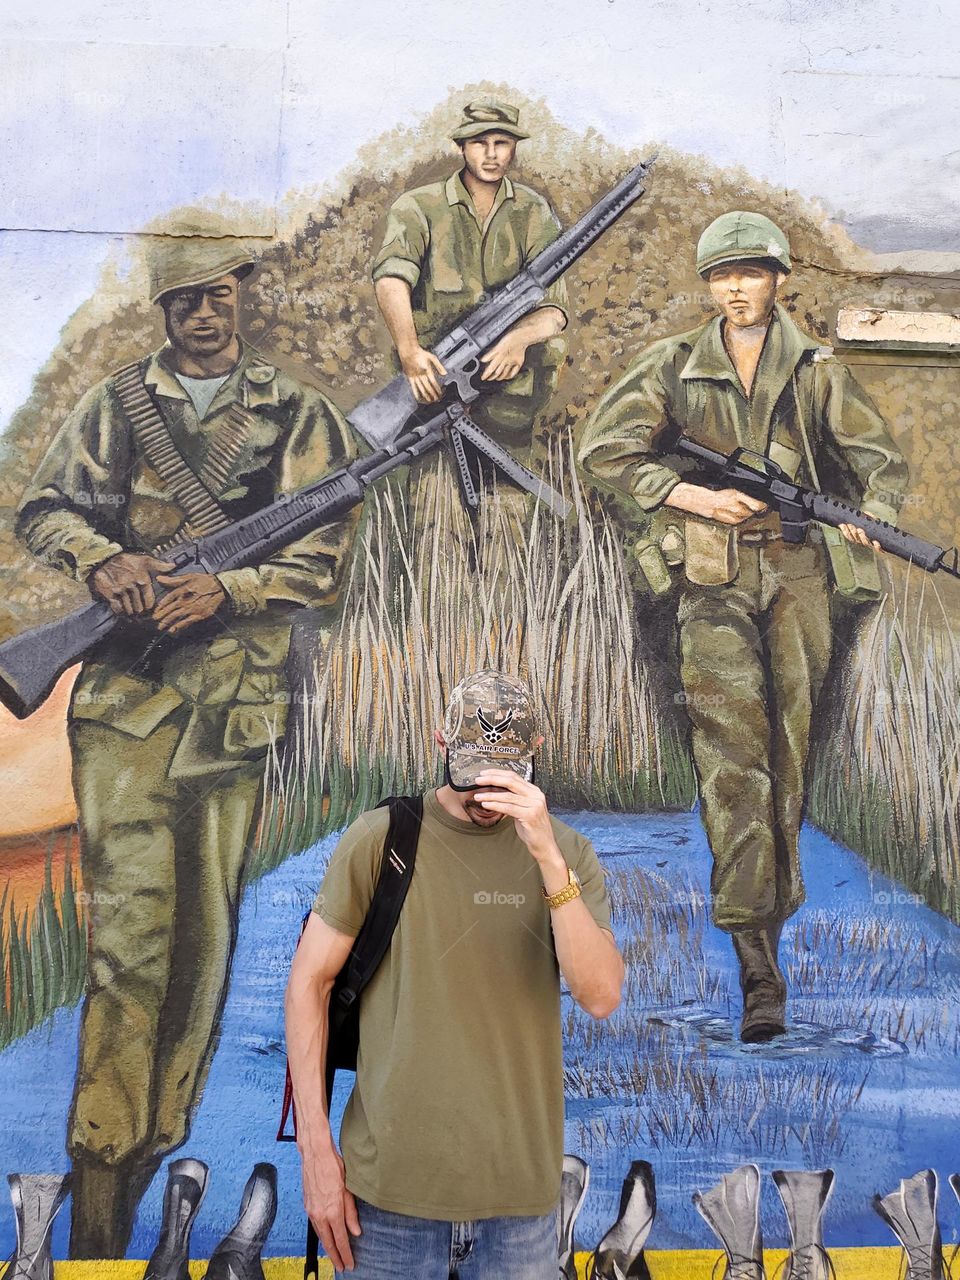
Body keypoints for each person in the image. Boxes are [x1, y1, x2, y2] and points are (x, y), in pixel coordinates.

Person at [14, 227, 359, 1258]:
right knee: (131, 951)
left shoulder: (298, 413)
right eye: (184, 302)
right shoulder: (120, 406)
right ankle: (100, 1174)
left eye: (217, 297)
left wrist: (233, 586)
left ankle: (149, 1154)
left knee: (202, 959)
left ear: (237, 300)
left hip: (234, 711)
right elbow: (46, 506)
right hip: (126, 709)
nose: (204, 315)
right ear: (163, 312)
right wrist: (103, 558)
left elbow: (325, 559)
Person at [578, 211, 908, 1043]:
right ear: (708, 285)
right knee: (732, 763)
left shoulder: (817, 372)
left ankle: (773, 928)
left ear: (777, 279)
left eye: (751, 272)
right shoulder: (672, 367)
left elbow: (879, 462)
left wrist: (873, 515)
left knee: (789, 759)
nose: (736, 287)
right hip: (712, 575)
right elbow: (605, 449)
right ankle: (756, 965)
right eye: (722, 274)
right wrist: (689, 495)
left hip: (798, 573)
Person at [284, 669, 623, 1278]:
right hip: (386, 1205)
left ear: (536, 753)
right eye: (470, 774)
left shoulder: (567, 853)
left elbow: (599, 995)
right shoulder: (381, 840)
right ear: (441, 743)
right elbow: (309, 983)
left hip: (520, 1210)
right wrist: (315, 1152)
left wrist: (546, 856)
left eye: (505, 772)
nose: (484, 794)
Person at [371, 100, 569, 555]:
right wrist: (408, 350)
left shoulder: (533, 212)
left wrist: (519, 339)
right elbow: (391, 277)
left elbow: (556, 309)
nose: (492, 153)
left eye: (502, 143)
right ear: (462, 146)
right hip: (433, 404)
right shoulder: (418, 208)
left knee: (511, 538)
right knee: (437, 534)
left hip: (509, 412)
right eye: (481, 142)